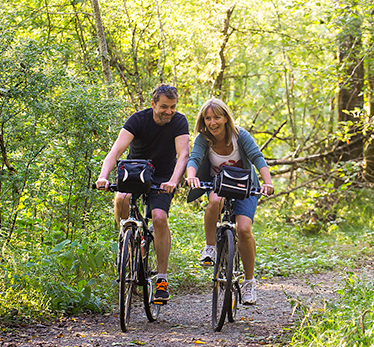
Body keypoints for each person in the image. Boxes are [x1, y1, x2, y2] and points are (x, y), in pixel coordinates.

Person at [96, 84, 190, 304]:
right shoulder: (138, 120)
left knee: (159, 217)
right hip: (135, 171)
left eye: (173, 107)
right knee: (121, 198)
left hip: (164, 177)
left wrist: (174, 181)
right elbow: (116, 151)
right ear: (153, 104)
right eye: (164, 107)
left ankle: (162, 279)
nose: (169, 111)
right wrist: (103, 176)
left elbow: (183, 154)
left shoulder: (179, 121)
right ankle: (126, 242)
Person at [185, 98, 273, 305]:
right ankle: (210, 248)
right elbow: (194, 159)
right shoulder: (203, 138)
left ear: (225, 118)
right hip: (219, 185)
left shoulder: (239, 136)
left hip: (244, 187)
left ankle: (249, 282)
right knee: (214, 202)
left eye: (217, 117)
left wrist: (267, 182)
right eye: (208, 118)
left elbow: (257, 158)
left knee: (243, 230)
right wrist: (191, 176)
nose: (212, 122)